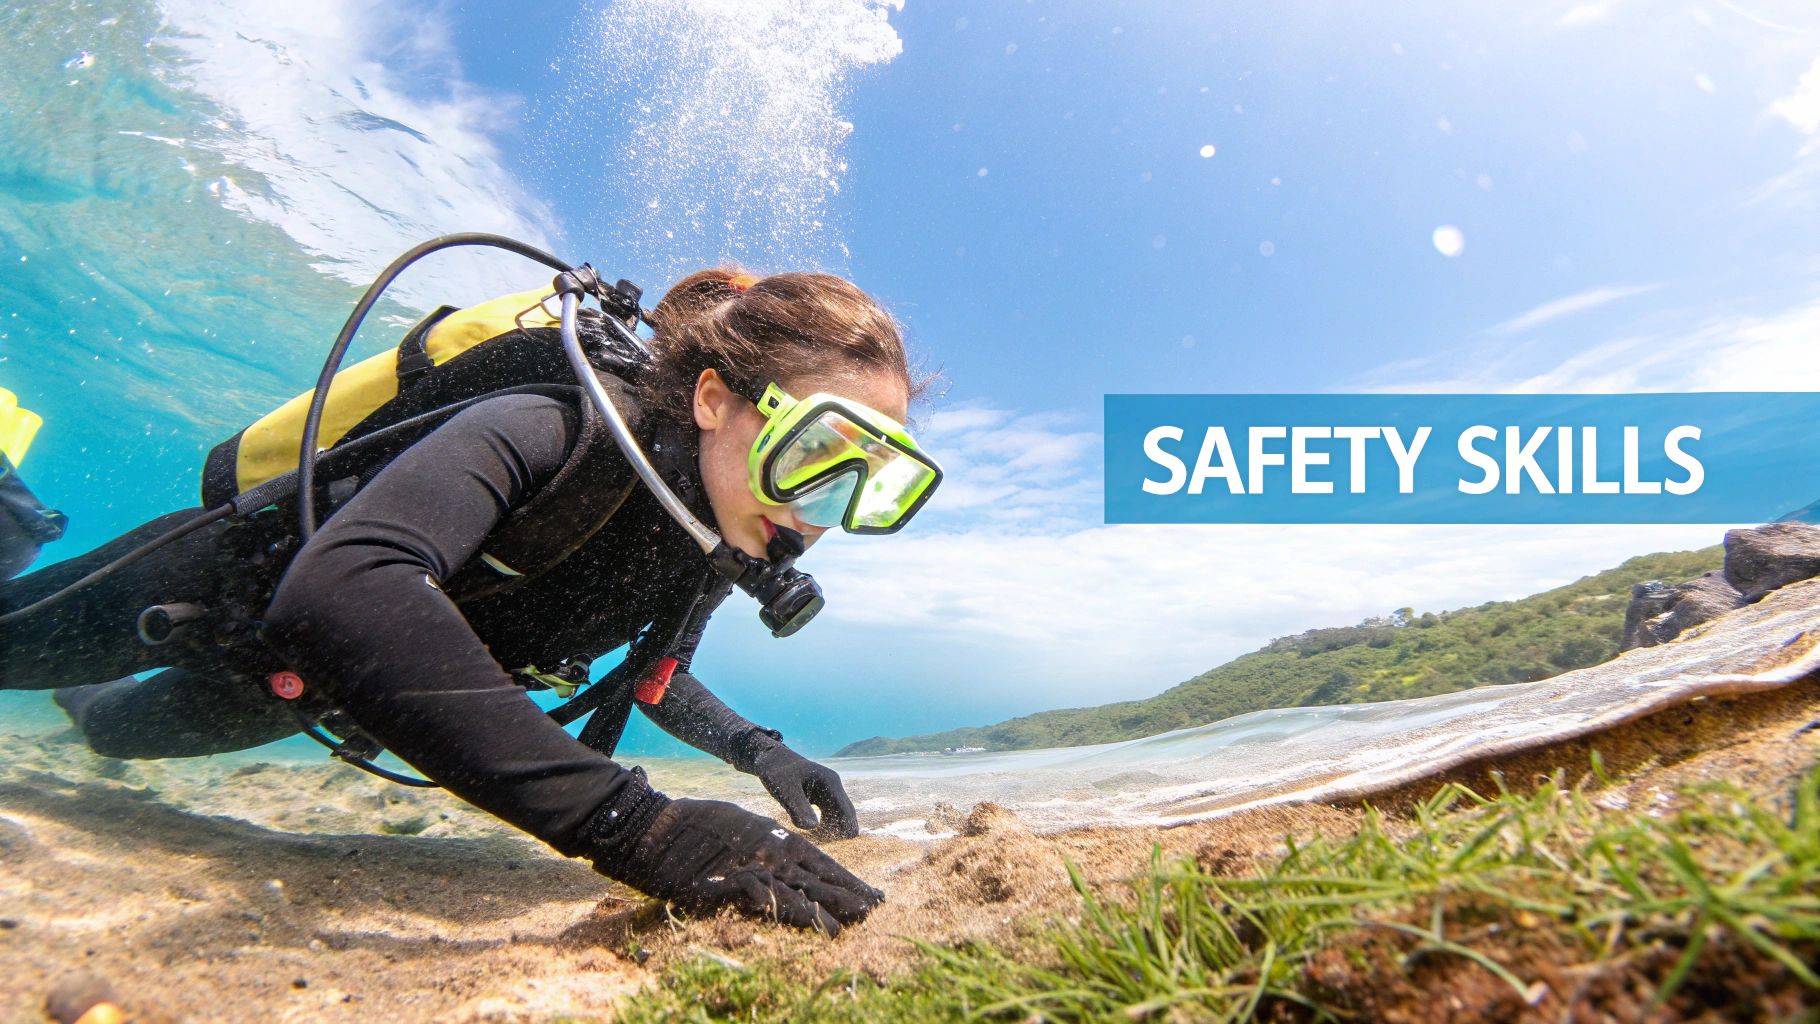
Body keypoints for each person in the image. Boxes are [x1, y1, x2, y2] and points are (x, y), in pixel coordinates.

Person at [0, 268, 943, 936]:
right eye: (821, 459)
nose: (826, 518)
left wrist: (762, 752)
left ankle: (76, 694)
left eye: (870, 486)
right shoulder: (556, 429)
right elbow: (344, 588)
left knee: (111, 733)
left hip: (296, 694)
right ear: (712, 399)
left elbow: (656, 683)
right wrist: (640, 828)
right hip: (208, 586)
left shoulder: (704, 541)